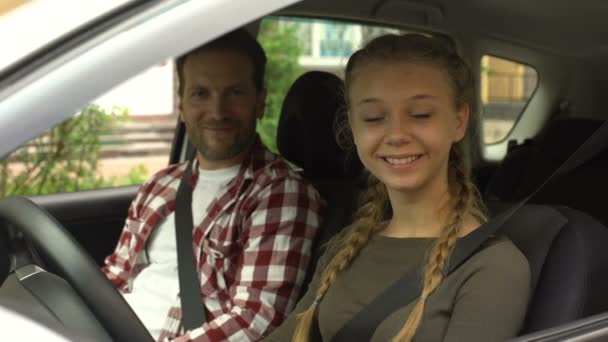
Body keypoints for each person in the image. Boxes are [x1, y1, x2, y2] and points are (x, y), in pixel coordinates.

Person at [265, 34, 530, 342]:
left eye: (420, 115)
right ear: (353, 127)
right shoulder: (346, 247)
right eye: (374, 118)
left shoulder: (493, 266)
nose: (397, 134)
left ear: (458, 121)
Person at [102, 29, 323, 342]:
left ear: (260, 102)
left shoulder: (280, 194)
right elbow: (115, 277)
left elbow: (255, 321)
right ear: (182, 105)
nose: (218, 112)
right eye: (200, 94)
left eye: (234, 93)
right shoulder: (161, 184)